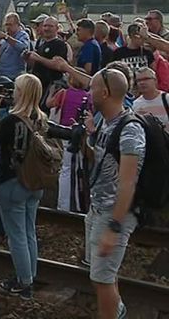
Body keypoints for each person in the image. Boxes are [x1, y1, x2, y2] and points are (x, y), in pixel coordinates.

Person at [83, 68, 144, 319]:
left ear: (105, 93)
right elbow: (102, 163)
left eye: (92, 88)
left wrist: (114, 227)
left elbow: (128, 183)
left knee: (102, 279)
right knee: (102, 276)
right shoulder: (105, 123)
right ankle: (117, 312)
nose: (89, 92)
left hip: (113, 214)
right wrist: (88, 138)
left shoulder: (130, 129)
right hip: (98, 207)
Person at [0, 73, 46, 300]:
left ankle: (23, 282)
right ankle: (30, 275)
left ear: (22, 93)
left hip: (12, 181)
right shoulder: (42, 119)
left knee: (15, 235)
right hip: (36, 182)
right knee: (29, 231)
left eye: (16, 88)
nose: (12, 92)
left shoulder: (10, 121)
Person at [46, 69, 91, 212]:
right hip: (79, 134)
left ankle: (63, 204)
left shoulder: (63, 93)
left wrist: (51, 92)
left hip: (62, 132)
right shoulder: (88, 96)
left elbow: (49, 104)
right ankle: (76, 204)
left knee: (64, 170)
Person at [27, 16, 68, 93]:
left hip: (51, 86)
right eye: (45, 26)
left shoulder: (59, 44)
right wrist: (28, 58)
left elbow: (59, 66)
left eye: (50, 26)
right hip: (39, 85)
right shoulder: (42, 44)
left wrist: (38, 58)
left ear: (56, 28)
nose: (46, 28)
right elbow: (37, 64)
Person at [0, 13, 30, 80]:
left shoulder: (23, 35)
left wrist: (7, 37)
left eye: (10, 25)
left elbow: (23, 47)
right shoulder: (6, 38)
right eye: (6, 24)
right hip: (3, 74)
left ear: (17, 25)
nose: (8, 27)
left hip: (15, 75)